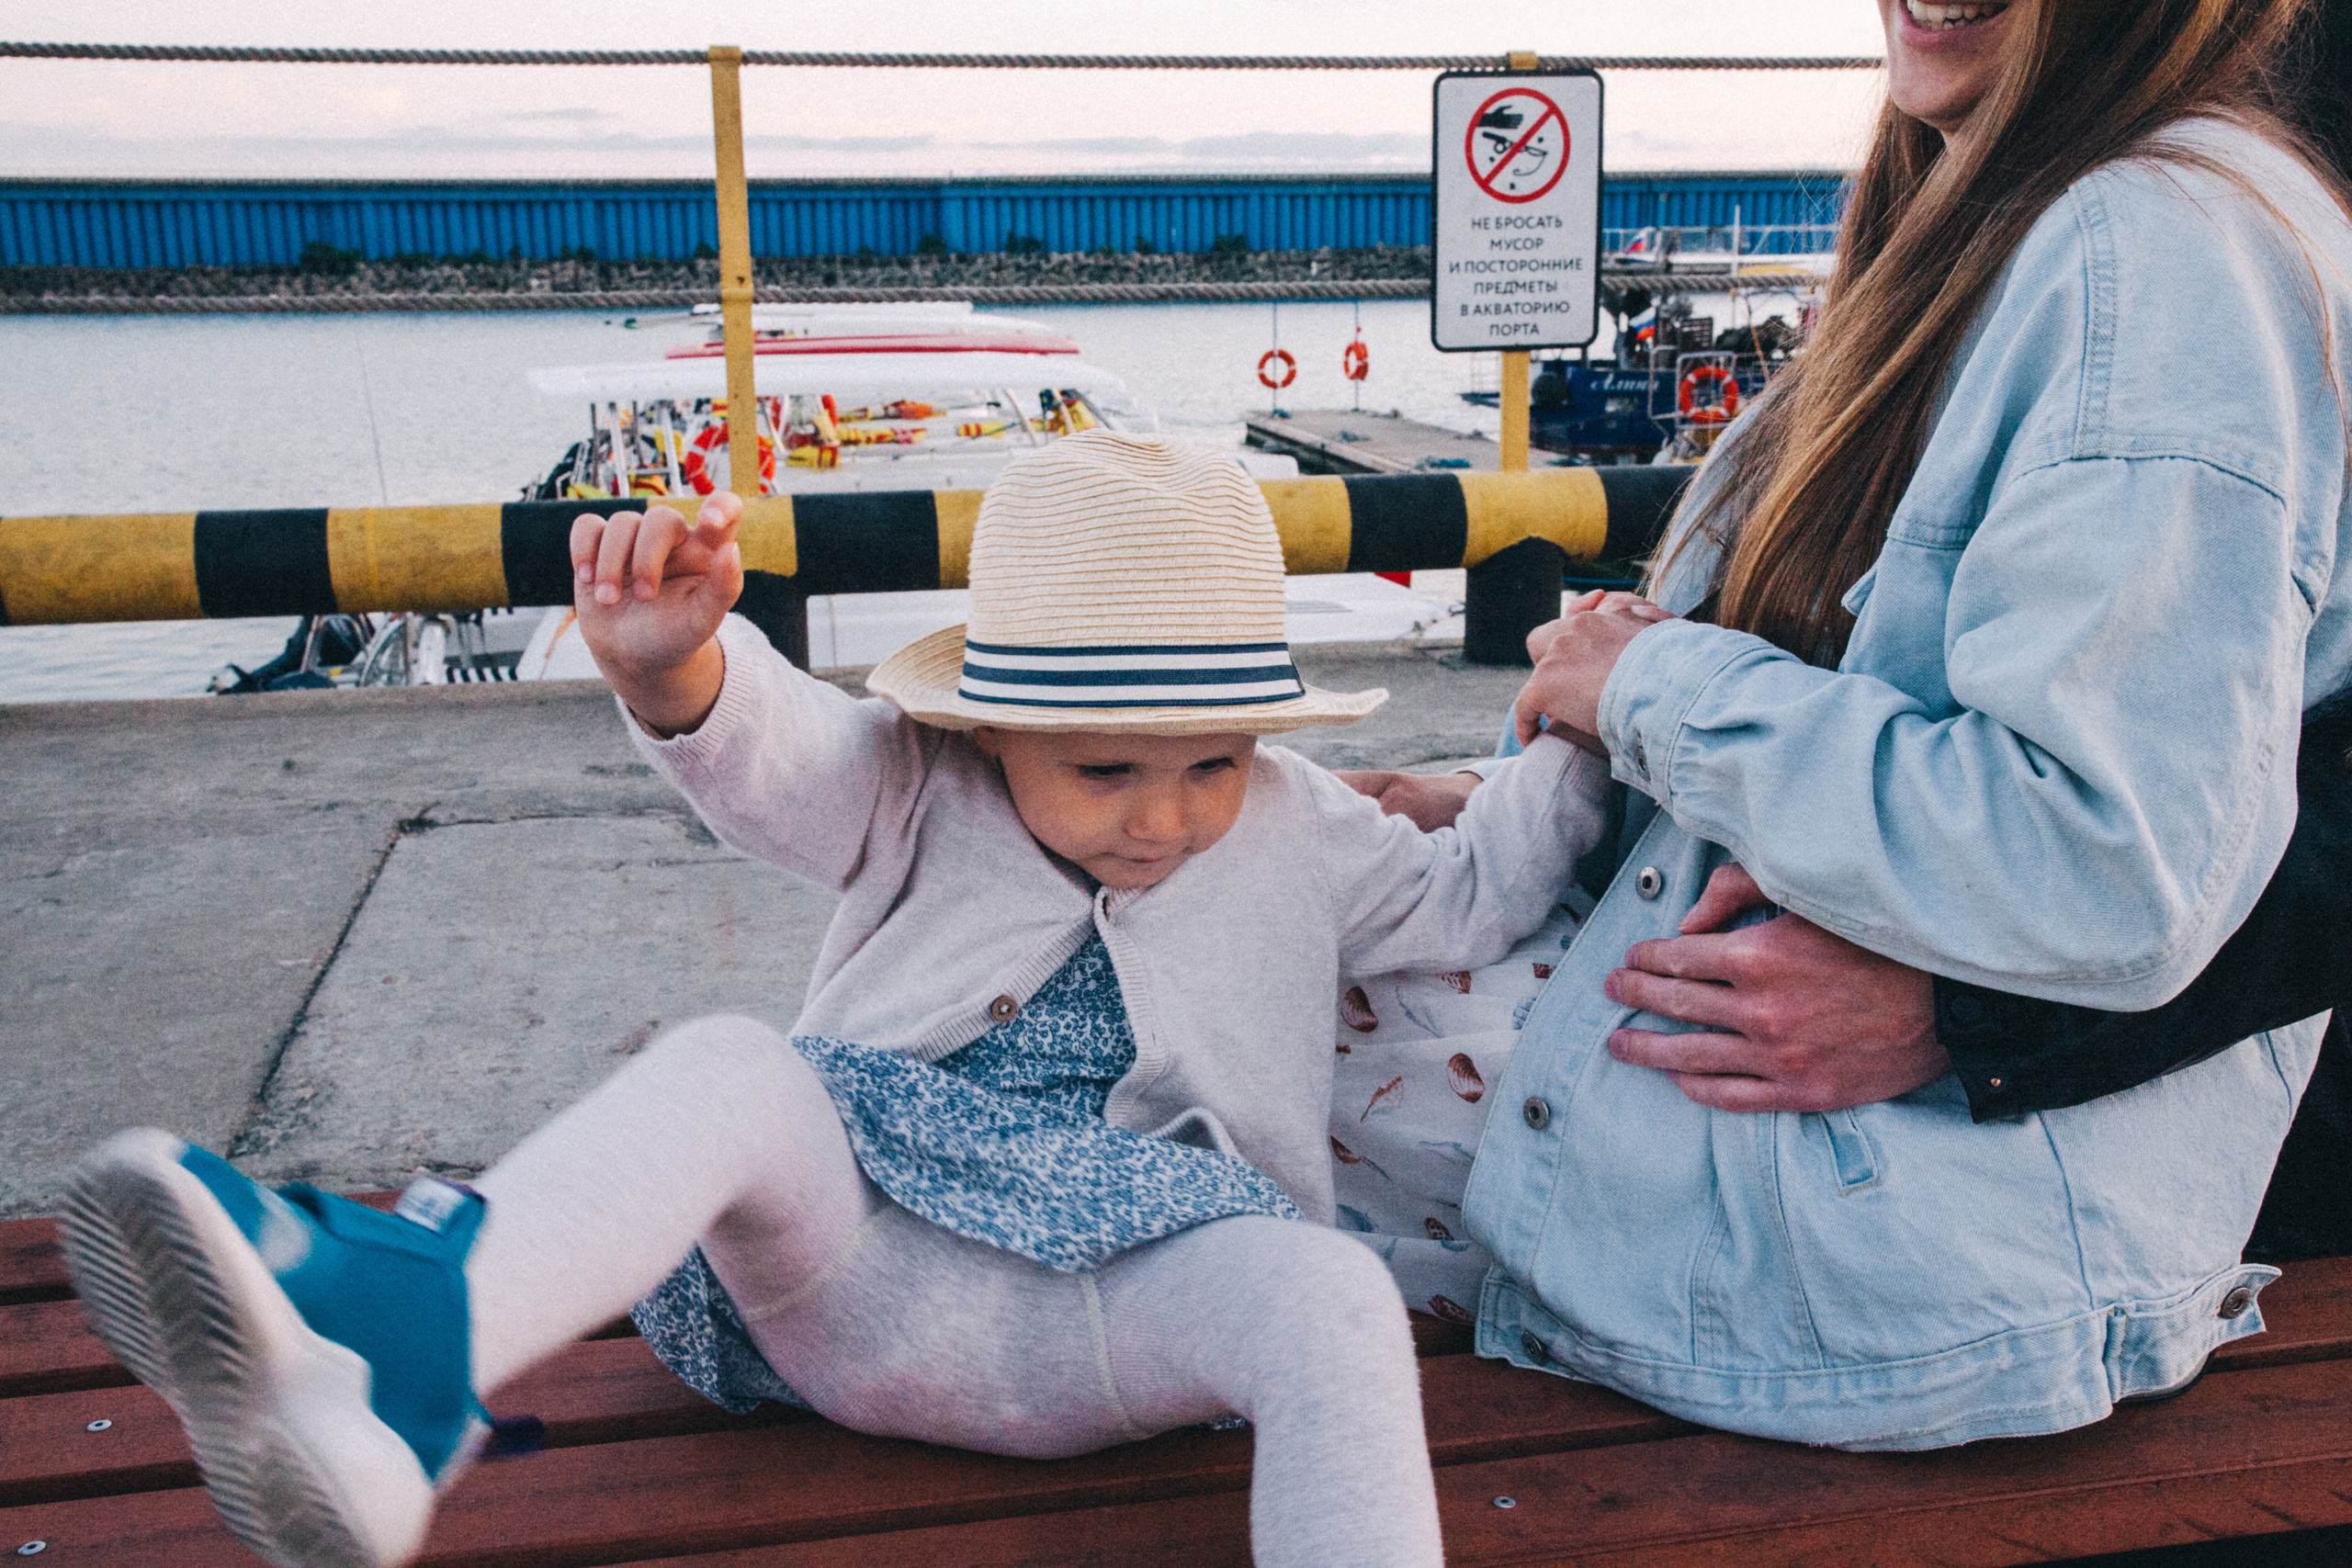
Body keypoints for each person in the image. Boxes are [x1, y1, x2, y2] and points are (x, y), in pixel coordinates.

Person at [57, 432, 1615, 1568]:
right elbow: (767, 747)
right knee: (740, 1066)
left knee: (1326, 1295)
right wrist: (674, 668)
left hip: (1119, 1331)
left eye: (1213, 760)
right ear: (990, 724)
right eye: (1108, 767)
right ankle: (403, 1370)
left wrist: (1574, 734)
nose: (1165, 815)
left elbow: (1474, 887)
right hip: (848, 1289)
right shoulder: (911, 784)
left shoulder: (1296, 820)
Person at [1454, 0, 2350, 1451]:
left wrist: (1651, 690)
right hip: (1802, 1206)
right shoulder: (1993, 213)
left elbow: (2102, 853)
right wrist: (1504, 803)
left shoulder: (2157, 250)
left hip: (1852, 1266)